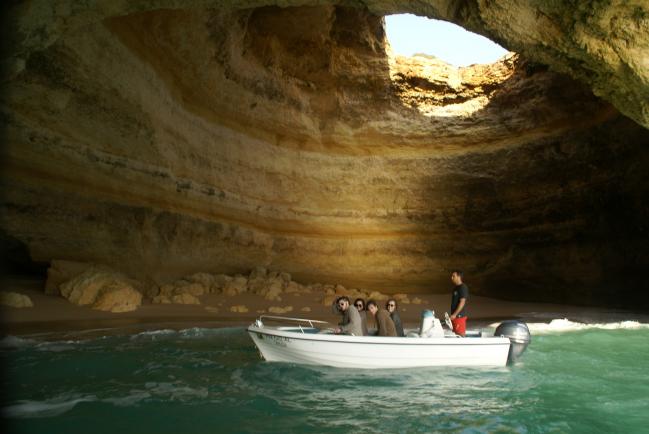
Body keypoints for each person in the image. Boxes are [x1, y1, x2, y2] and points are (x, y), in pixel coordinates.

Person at [449, 270, 469, 336]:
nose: (452, 278)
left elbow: (462, 302)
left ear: (459, 277)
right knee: (455, 335)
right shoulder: (456, 288)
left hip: (459, 316)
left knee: (461, 335)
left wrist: (455, 314)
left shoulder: (463, 287)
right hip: (455, 317)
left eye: (453, 276)